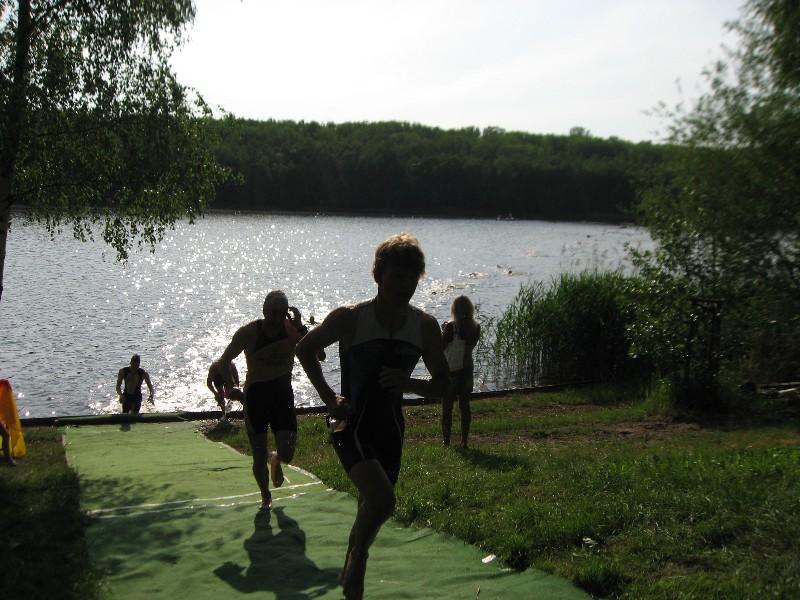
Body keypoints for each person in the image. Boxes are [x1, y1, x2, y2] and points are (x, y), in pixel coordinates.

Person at [296, 232, 448, 600]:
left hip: (391, 430)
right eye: (397, 276)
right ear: (378, 274)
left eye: (411, 278)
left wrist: (408, 383)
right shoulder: (350, 319)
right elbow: (305, 348)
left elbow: (444, 386)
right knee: (383, 501)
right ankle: (358, 559)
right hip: (351, 424)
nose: (404, 286)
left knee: (370, 505)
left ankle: (353, 574)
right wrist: (329, 397)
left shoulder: (424, 326)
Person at [210, 291, 309, 512]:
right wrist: (231, 388)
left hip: (283, 395)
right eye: (272, 312)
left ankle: (275, 459)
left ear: (286, 313)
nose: (275, 318)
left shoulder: (292, 330)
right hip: (256, 398)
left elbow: (318, 354)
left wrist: (301, 327)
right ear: (264, 311)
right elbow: (224, 361)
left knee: (287, 453)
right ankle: (265, 495)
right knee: (258, 453)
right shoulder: (248, 333)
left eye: (281, 313)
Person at [441, 295, 481, 448]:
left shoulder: (451, 327)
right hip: (467, 370)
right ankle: (464, 441)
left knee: (447, 407)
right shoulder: (476, 327)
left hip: (452, 371)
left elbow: (441, 347)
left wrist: (443, 330)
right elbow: (469, 347)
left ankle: (446, 441)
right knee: (465, 407)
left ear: (454, 309)